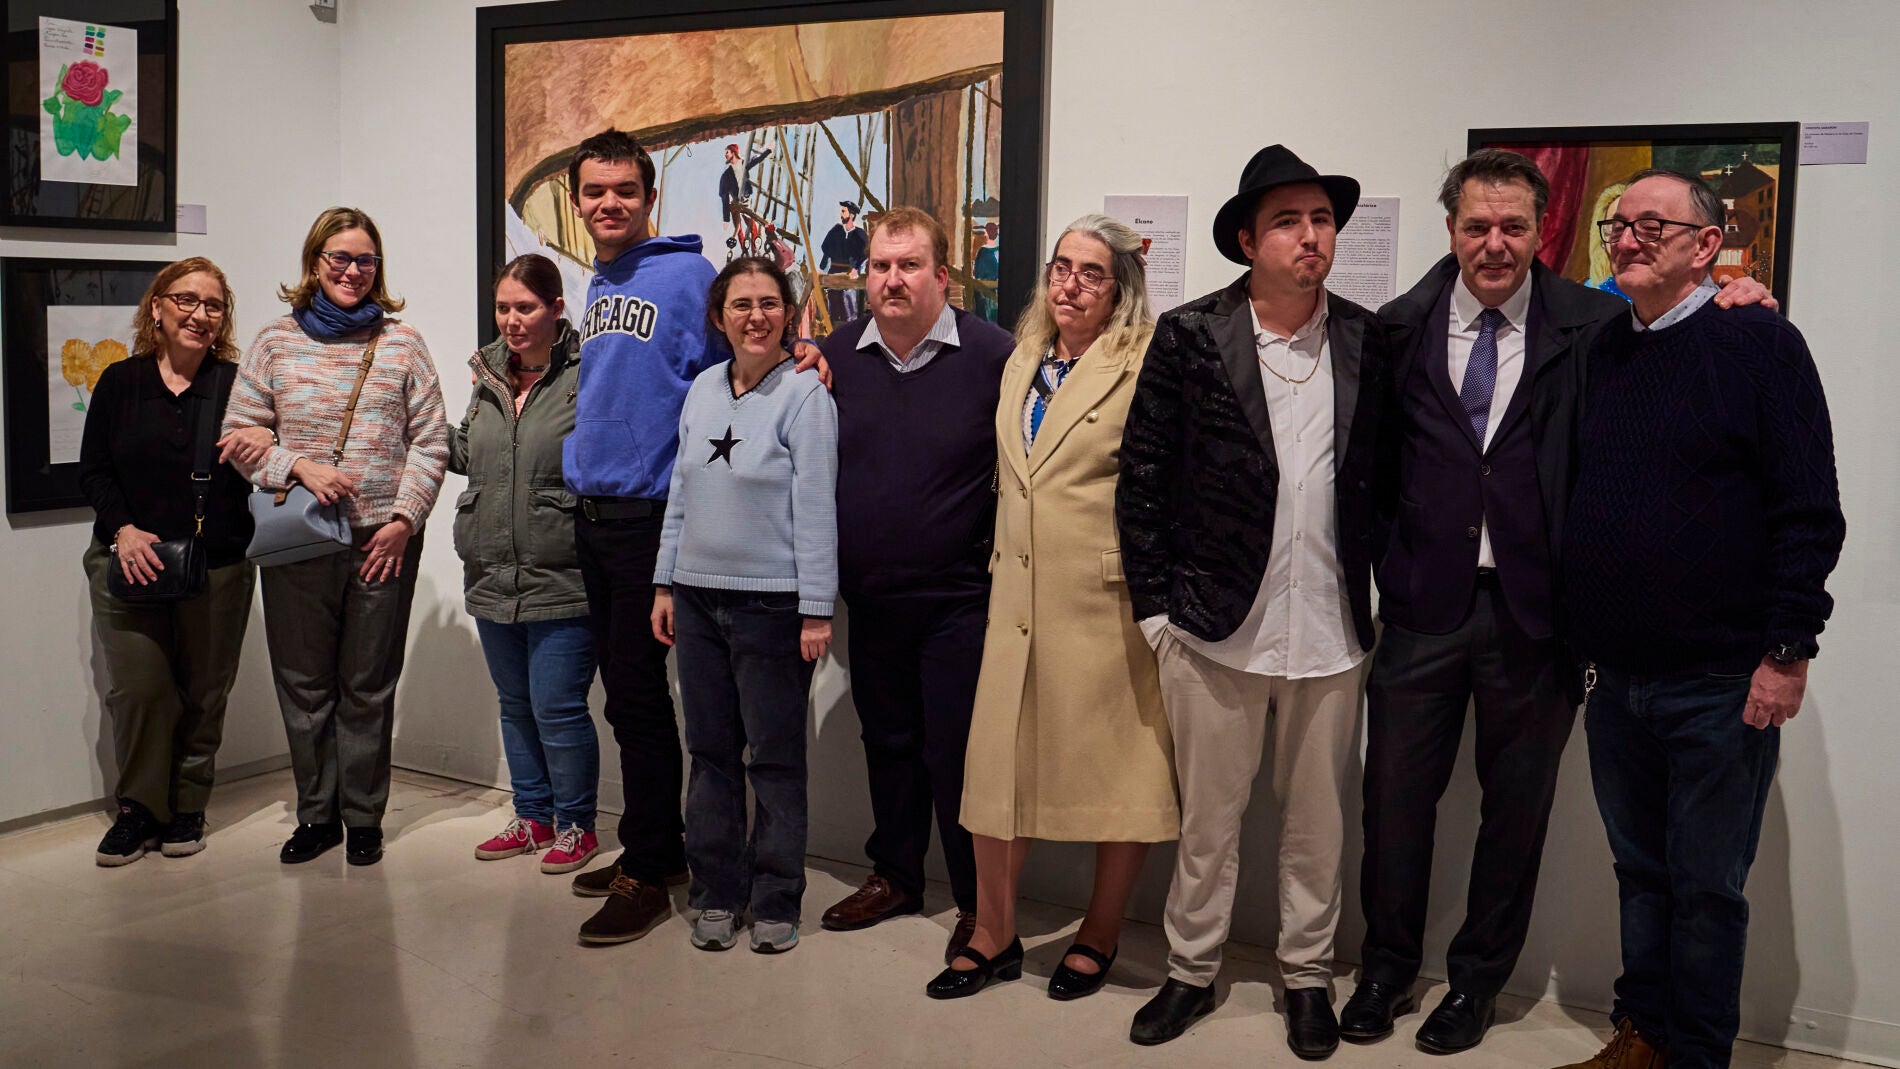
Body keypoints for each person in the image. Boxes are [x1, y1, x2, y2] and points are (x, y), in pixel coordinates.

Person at [1346, 149, 1776, 1053]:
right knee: (1393, 802)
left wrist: (1737, 296)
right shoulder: (1398, 326)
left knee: (1516, 813)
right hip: (1421, 610)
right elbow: (1370, 471)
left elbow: (1679, 338)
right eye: (1476, 226)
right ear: (1451, 229)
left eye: (1513, 226)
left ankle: (1476, 983)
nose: (1494, 244)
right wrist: (1388, 567)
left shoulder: (1596, 323)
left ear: (1542, 229)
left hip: (1538, 618)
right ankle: (1384, 969)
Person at [1551, 169, 1843, 1069]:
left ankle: (1700, 1055)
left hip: (1721, 680)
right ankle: (1643, 1034)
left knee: (1708, 886)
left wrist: (1789, 650)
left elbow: (1809, 510)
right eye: (1618, 223)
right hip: (1617, 679)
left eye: (1652, 225)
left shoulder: (1761, 343)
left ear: (1707, 246)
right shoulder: (1606, 348)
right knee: (1641, 872)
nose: (1627, 238)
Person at [1115, 146, 1387, 1057]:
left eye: (1322, 219)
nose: (1312, 236)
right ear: (1246, 240)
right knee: (1209, 823)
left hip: (1333, 629)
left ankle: (1306, 977)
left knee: (1318, 824)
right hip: (1212, 626)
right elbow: (1143, 478)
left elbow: (1386, 478)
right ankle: (1191, 970)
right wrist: (1158, 616)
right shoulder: (1192, 334)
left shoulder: (1367, 337)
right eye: (1288, 221)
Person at [561, 130, 826, 944]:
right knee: (624, 697)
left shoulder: (682, 275)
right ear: (577, 201)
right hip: (596, 515)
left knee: (643, 702)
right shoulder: (599, 280)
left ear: (650, 197)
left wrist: (807, 349)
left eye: (625, 190)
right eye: (595, 191)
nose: (609, 203)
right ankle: (659, 842)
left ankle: (649, 867)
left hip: (647, 518)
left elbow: (745, 352)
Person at [926, 214, 1175, 1002]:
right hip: (1015, 597)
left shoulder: (1145, 360)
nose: (1070, 284)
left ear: (1120, 287)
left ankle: (1099, 931)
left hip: (1103, 602)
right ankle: (994, 932)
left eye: (1091, 273)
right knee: (995, 774)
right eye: (1061, 267)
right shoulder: (1023, 356)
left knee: (1119, 775)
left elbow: (1170, 481)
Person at [220, 207, 447, 868]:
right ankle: (317, 814)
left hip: (382, 541)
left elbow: (431, 442)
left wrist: (404, 521)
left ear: (379, 268)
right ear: (314, 263)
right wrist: (298, 465)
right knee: (304, 683)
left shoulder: (402, 343)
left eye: (365, 260)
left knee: (367, 683)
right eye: (340, 258)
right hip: (300, 539)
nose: (353, 271)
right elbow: (237, 437)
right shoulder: (274, 341)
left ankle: (364, 815)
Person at [817, 207, 1015, 966]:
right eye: (880, 266)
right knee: (889, 743)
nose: (892, 279)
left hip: (959, 601)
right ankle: (897, 876)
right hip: (871, 598)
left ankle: (978, 903)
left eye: (909, 265)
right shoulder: (834, 357)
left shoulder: (994, 357)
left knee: (957, 754)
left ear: (942, 273)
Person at [651, 256, 838, 954]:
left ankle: (776, 897)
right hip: (696, 600)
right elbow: (680, 491)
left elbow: (816, 507)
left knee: (775, 760)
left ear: (788, 313)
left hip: (773, 607)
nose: (755, 316)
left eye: (768, 303)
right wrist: (665, 582)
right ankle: (715, 892)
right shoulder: (702, 389)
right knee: (710, 754)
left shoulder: (806, 396)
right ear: (718, 317)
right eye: (740, 304)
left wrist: (816, 608)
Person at [80, 257, 255, 866]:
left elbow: (271, 463)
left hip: (219, 564)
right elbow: (94, 472)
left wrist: (268, 440)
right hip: (129, 560)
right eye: (186, 300)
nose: (199, 314)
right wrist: (123, 530)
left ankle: (187, 807)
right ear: (156, 306)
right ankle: (138, 810)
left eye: (213, 305)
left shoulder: (237, 386)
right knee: (141, 690)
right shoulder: (119, 382)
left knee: (205, 692)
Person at [449, 253, 601, 875]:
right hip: (491, 572)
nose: (512, 321)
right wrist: (413, 423)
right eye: (503, 308)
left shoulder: (586, 372)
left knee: (558, 708)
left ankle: (577, 825)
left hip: (563, 573)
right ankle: (533, 815)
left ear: (557, 308)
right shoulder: (486, 374)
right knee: (515, 706)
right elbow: (469, 453)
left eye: (526, 308)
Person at [819, 200, 869, 327]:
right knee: (834, 309)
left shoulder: (860, 234)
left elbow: (865, 253)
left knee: (849, 310)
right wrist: (821, 268)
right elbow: (827, 251)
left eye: (843, 211)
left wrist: (856, 268)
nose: (841, 214)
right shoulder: (835, 231)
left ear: (851, 215)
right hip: (833, 273)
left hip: (849, 275)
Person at [718, 142, 772, 253]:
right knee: (738, 228)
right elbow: (724, 197)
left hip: (746, 200)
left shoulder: (744, 163)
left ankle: (755, 247)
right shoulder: (726, 175)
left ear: (733, 152)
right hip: (735, 203)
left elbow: (757, 159)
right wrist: (726, 219)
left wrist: (768, 151)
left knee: (751, 224)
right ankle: (744, 249)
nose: (725, 155)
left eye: (727, 152)